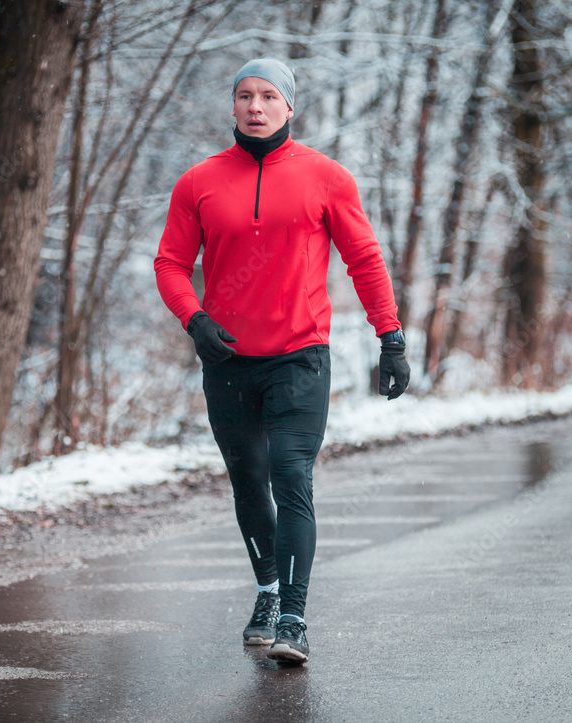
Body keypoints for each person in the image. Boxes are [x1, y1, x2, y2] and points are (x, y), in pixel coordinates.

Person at [154, 57, 410, 663]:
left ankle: (293, 616)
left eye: (269, 95)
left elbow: (364, 260)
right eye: (245, 95)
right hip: (228, 360)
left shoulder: (326, 177)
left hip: (300, 356)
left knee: (290, 475)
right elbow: (170, 263)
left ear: (289, 106)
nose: (255, 106)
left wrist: (390, 336)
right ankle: (267, 590)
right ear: (234, 105)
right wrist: (195, 320)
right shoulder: (199, 181)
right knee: (247, 479)